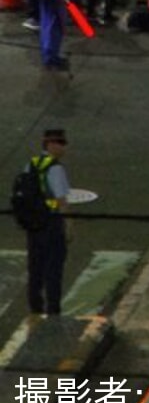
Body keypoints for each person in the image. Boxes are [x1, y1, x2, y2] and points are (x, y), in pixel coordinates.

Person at [23, 129, 71, 321]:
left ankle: (35, 307)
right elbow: (61, 199)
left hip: (33, 223)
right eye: (60, 143)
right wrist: (69, 224)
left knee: (35, 267)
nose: (63, 148)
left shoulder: (31, 164)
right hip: (51, 223)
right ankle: (53, 311)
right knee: (53, 269)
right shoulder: (55, 168)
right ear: (50, 145)